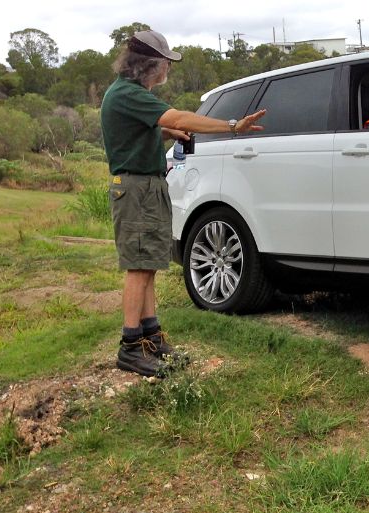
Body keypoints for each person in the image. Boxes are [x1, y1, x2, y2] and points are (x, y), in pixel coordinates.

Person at [101, 29, 266, 377]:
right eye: (166, 64)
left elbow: (140, 131)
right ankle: (130, 347)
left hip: (146, 185)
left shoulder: (129, 95)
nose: (168, 70)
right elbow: (177, 116)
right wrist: (232, 126)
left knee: (148, 263)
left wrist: (164, 134)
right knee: (138, 265)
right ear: (149, 65)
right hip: (136, 188)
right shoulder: (129, 94)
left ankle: (151, 337)